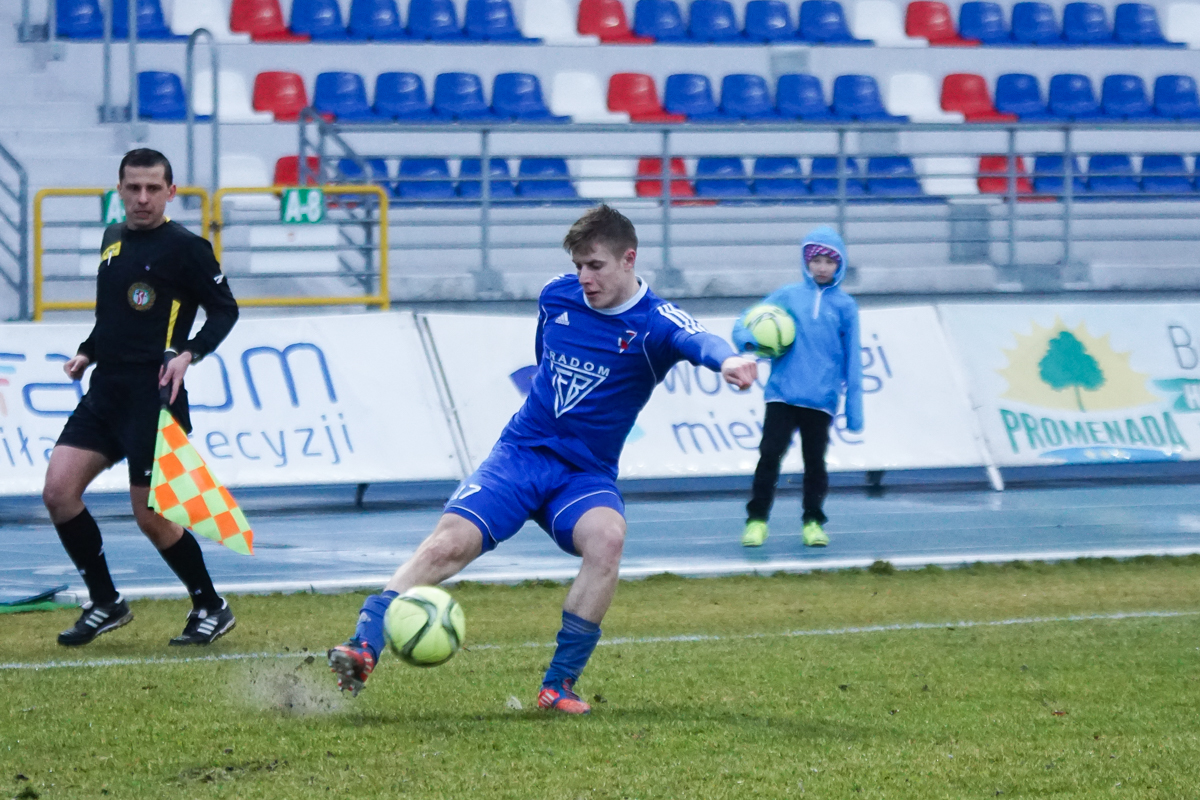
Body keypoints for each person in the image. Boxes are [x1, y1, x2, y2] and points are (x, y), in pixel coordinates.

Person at [328, 204, 758, 713]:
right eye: (578, 265)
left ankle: (558, 686)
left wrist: (729, 359)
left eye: (595, 265)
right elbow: (543, 358)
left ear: (629, 259)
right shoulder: (557, 296)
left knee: (608, 539)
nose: (584, 277)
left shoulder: (654, 323)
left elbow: (698, 338)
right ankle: (363, 645)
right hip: (522, 454)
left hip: (585, 474)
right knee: (447, 545)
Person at [43, 149, 240, 647]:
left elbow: (225, 310)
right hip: (105, 392)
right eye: (133, 188)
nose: (143, 198)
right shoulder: (112, 239)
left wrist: (189, 353)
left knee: (151, 516)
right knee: (58, 493)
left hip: (154, 398)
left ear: (171, 192)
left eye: (153, 188)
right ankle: (105, 601)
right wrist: (87, 351)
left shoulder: (188, 248)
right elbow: (113, 314)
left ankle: (210, 606)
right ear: (120, 190)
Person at [732, 225, 863, 549]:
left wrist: (854, 410)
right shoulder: (788, 295)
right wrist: (747, 341)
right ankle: (756, 521)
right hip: (782, 394)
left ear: (840, 264)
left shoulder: (845, 306)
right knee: (769, 456)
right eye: (816, 260)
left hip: (821, 399)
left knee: (815, 463)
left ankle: (813, 522)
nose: (822, 267)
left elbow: (853, 359)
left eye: (829, 261)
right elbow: (748, 319)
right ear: (807, 262)